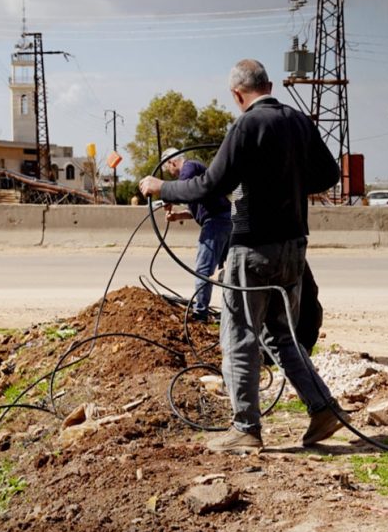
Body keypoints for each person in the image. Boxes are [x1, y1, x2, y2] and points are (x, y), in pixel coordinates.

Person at [139, 58, 345, 454]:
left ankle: (246, 429)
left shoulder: (246, 125)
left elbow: (209, 185)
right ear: (269, 86)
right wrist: (287, 180)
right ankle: (323, 408)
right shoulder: (299, 121)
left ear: (237, 94)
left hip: (252, 249)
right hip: (293, 248)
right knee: (280, 334)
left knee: (238, 336)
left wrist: (161, 187)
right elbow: (328, 175)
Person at [159, 148, 232, 322]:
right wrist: (178, 216)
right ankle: (232, 313)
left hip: (217, 220)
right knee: (229, 270)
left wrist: (167, 195)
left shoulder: (189, 167)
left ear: (171, 162)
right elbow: (199, 210)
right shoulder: (193, 177)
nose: (170, 173)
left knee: (203, 269)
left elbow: (181, 189)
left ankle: (200, 314)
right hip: (223, 218)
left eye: (168, 169)